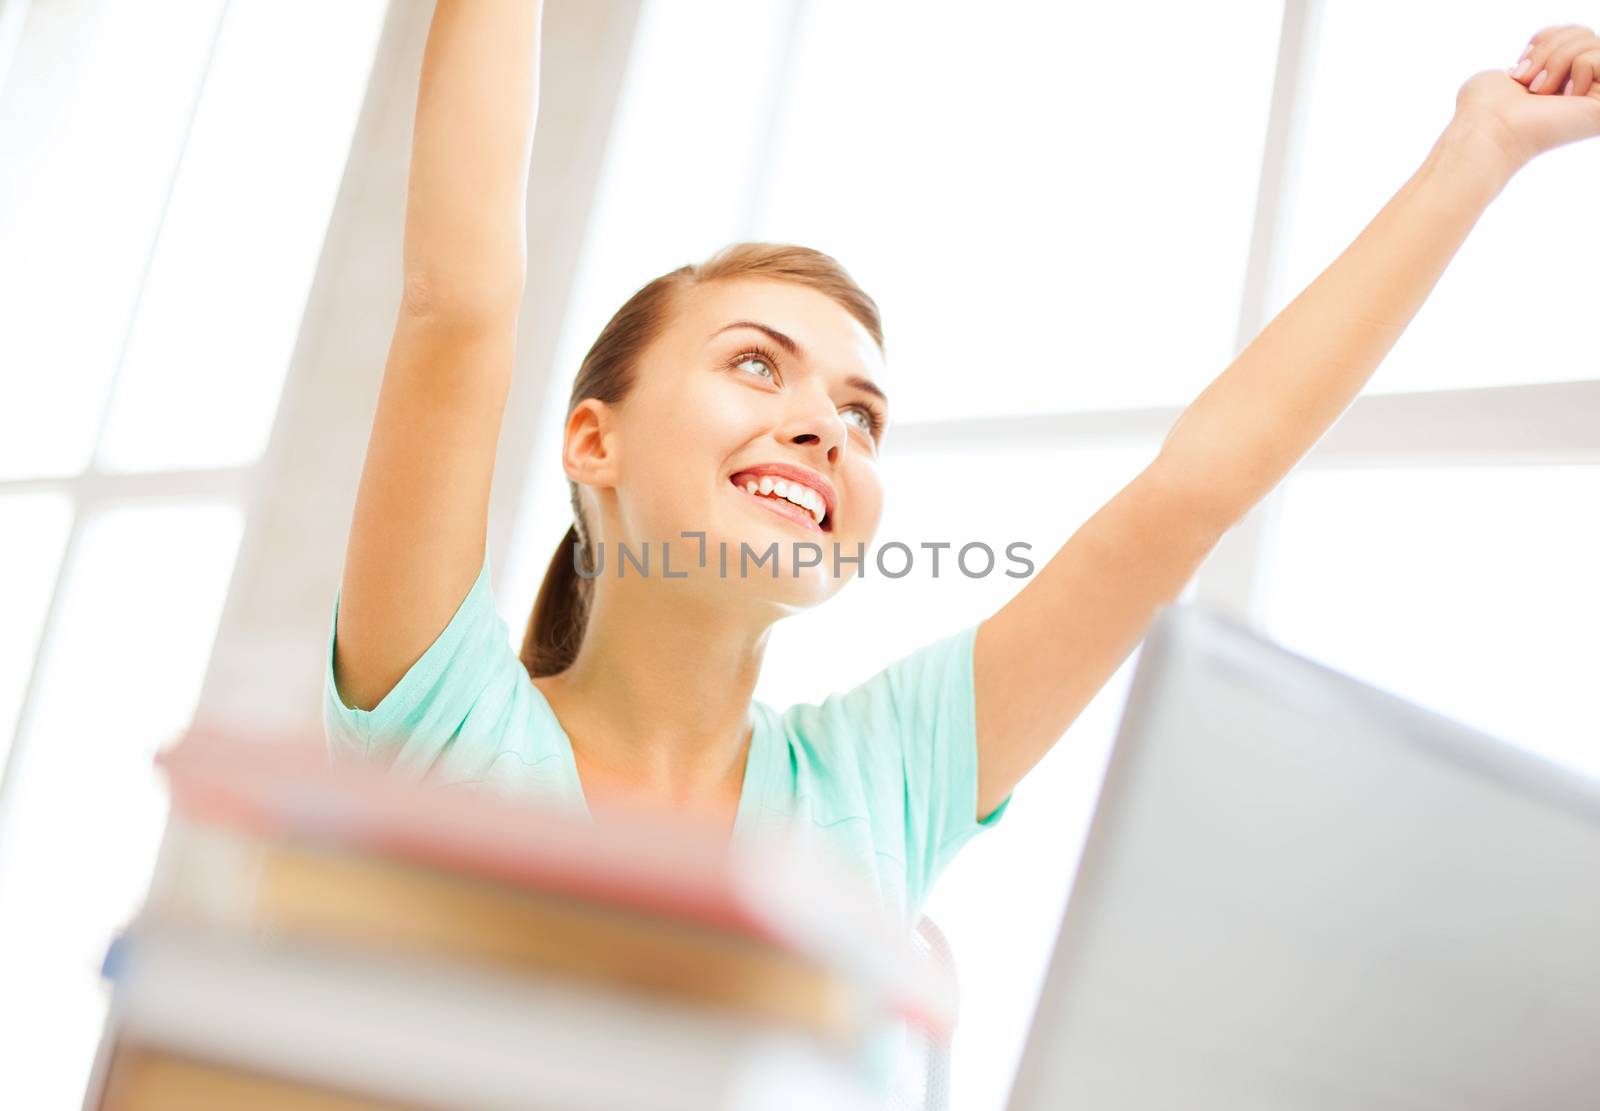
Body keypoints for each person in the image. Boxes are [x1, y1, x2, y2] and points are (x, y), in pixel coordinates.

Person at [325, 0, 1599, 939]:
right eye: (759, 367)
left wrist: (1478, 149)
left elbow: (1190, 492)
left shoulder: (883, 777)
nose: (827, 428)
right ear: (592, 441)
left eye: (862, 413)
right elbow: (462, 303)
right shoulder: (440, 722)